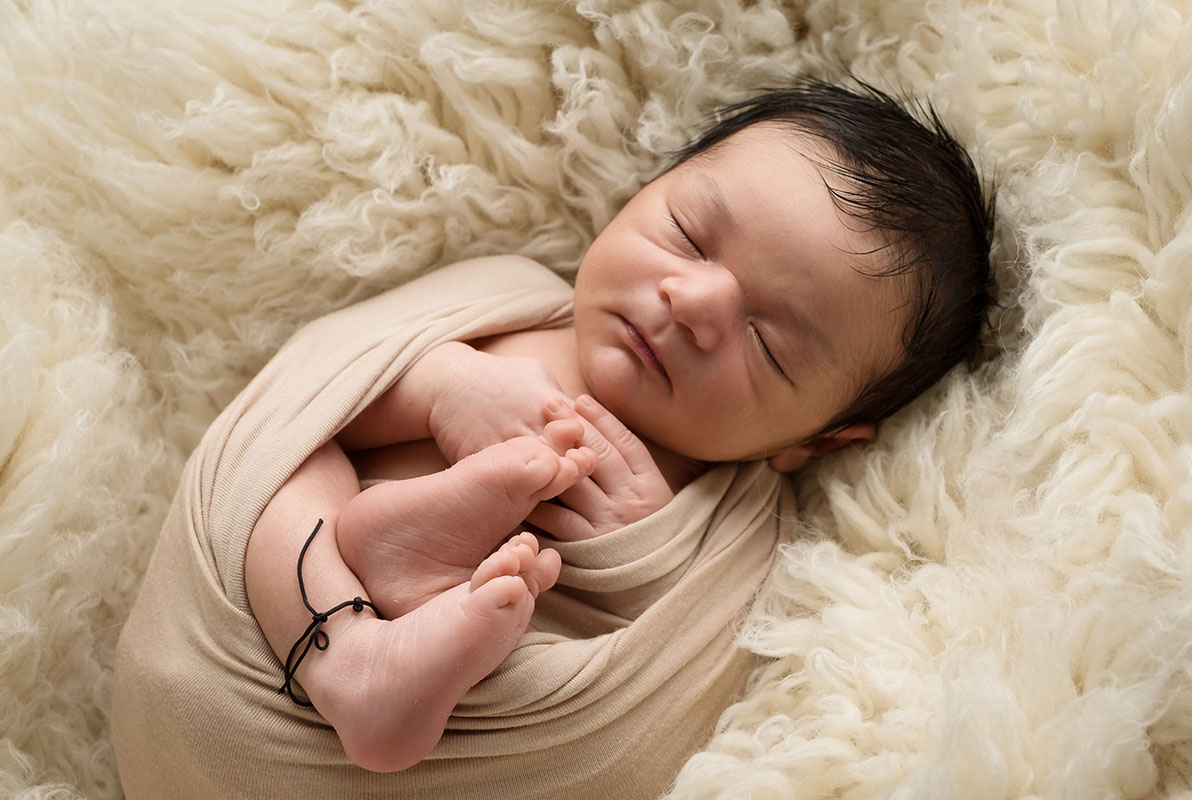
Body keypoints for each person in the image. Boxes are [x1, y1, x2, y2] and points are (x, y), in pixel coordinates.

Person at [242, 79, 998, 775]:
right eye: (689, 235)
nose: (694, 302)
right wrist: (444, 386)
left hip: (433, 739)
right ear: (643, 191)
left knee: (508, 609)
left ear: (815, 443)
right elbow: (316, 387)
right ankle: (354, 645)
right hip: (248, 647)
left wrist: (635, 552)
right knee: (290, 471)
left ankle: (418, 607)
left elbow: (673, 697)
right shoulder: (507, 304)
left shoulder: (733, 534)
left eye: (768, 342)